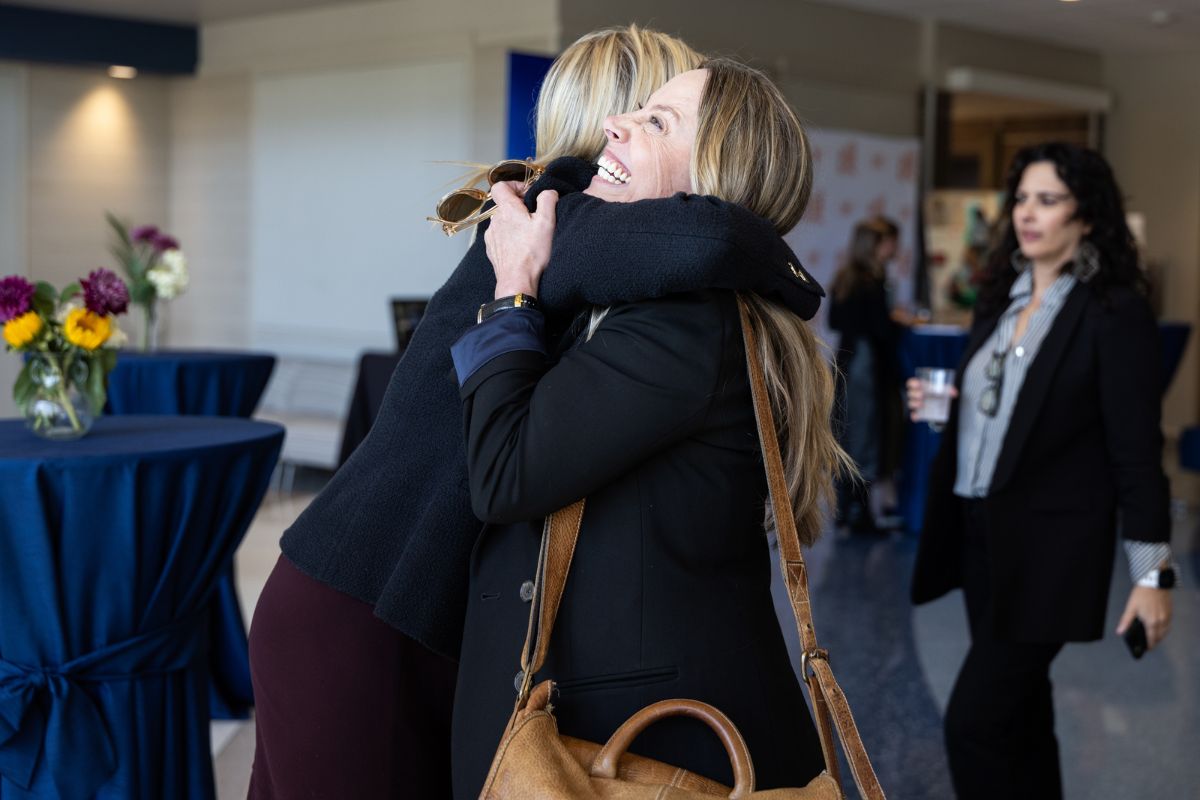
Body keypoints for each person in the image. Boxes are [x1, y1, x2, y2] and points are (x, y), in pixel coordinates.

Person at [248, 26, 822, 798]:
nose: (628, 128)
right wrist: (792, 275)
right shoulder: (566, 215)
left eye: (660, 119)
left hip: (389, 604)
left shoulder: (593, 238)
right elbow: (715, 234)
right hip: (367, 605)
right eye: (642, 109)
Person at [449, 59, 848, 797]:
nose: (615, 124)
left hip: (655, 748)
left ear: (709, 188)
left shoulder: (687, 322)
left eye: (657, 122)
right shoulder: (655, 300)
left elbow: (504, 472)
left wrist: (512, 292)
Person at [908, 142, 1175, 799]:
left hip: (1052, 554)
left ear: (1086, 217)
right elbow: (1004, 420)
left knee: (973, 721)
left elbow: (1138, 455)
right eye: (1022, 198)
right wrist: (944, 413)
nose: (1028, 213)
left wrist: (1153, 576)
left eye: (1048, 200)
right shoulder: (1001, 296)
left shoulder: (1114, 313)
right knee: (1021, 718)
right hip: (982, 537)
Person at [829, 216, 907, 532]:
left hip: (847, 363)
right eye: (890, 242)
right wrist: (896, 322)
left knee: (847, 436)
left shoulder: (846, 278)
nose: (894, 249)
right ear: (875, 245)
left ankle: (846, 511)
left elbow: (836, 321)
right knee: (866, 437)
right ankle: (861, 516)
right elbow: (881, 331)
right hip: (865, 367)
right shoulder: (870, 282)